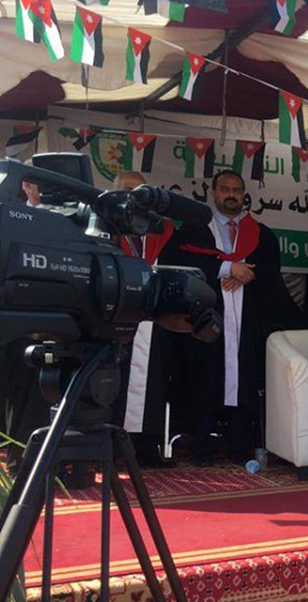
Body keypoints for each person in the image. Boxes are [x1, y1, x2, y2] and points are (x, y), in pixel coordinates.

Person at [114, 170, 221, 467]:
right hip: (118, 314)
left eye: (138, 190)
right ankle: (110, 446)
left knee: (157, 379)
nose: (133, 196)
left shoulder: (164, 230)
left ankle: (148, 446)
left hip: (155, 315)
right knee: (114, 380)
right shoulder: (108, 226)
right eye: (127, 190)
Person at [184, 170, 289, 465]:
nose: (231, 195)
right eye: (225, 189)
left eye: (237, 190)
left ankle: (239, 447)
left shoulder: (262, 234)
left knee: (244, 381)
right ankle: (201, 447)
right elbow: (183, 261)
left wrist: (247, 274)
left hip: (248, 321)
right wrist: (226, 269)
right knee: (205, 381)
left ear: (244, 195)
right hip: (206, 320)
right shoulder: (195, 229)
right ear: (213, 192)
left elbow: (272, 272)